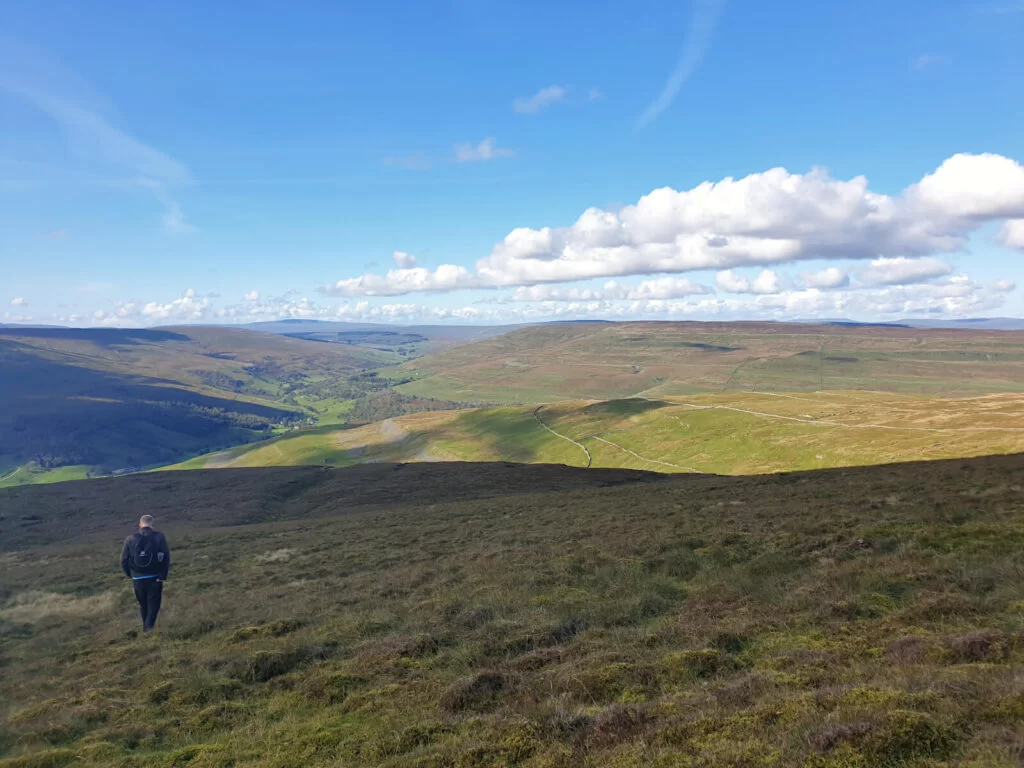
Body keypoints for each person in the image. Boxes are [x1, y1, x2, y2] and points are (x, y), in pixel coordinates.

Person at [121, 515, 171, 632]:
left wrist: (130, 574)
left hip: (137, 578)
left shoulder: (130, 539)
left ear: (140, 524)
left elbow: (123, 560)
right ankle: (148, 629)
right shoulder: (159, 537)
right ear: (151, 524)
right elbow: (166, 557)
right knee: (153, 606)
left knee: (143, 605)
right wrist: (163, 575)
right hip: (155, 577)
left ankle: (146, 630)